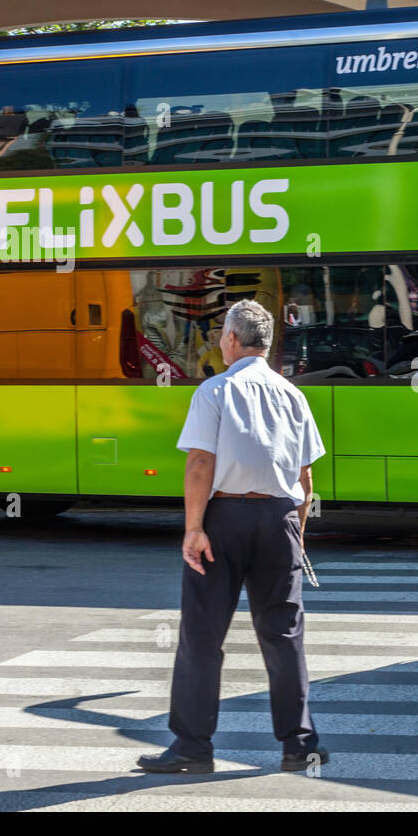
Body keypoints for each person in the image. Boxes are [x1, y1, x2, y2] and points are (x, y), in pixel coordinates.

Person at [138, 299, 328, 775]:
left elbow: (201, 463)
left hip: (224, 517)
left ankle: (193, 747)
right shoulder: (293, 395)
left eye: (222, 333)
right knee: (284, 635)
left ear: (230, 339)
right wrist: (298, 535)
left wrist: (194, 528)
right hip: (281, 517)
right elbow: (305, 477)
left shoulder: (214, 391)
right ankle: (299, 745)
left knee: (203, 635)